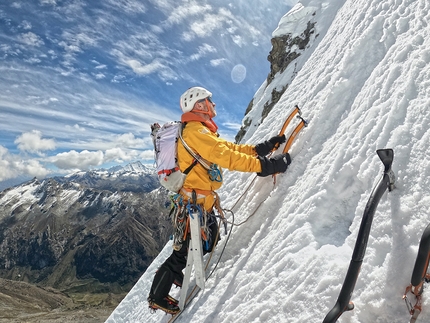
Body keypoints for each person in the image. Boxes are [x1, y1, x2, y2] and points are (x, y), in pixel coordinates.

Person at [147, 86, 291, 314]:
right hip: (195, 206)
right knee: (183, 252)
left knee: (210, 240)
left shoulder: (199, 131)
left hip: (199, 204)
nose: (213, 104)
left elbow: (228, 148)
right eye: (209, 100)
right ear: (200, 105)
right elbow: (228, 157)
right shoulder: (195, 132)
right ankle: (158, 294)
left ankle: (172, 273)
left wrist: (258, 149)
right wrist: (265, 166)